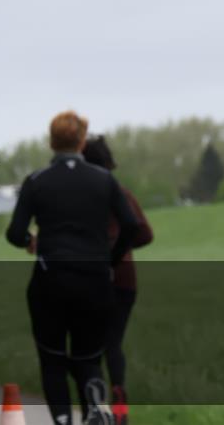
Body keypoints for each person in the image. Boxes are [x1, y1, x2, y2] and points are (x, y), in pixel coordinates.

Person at [7, 112, 139, 425]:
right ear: (82, 141)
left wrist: (29, 240)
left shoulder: (37, 181)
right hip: (95, 281)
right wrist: (110, 259)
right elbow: (131, 225)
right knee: (89, 357)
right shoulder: (104, 179)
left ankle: (64, 419)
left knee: (52, 358)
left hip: (51, 280)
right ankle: (94, 405)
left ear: (52, 142)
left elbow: (15, 233)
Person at [80, 135, 153, 425]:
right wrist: (120, 250)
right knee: (113, 343)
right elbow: (145, 233)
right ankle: (120, 403)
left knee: (91, 348)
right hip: (125, 279)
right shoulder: (123, 193)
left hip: (91, 280)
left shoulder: (81, 197)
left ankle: (97, 411)